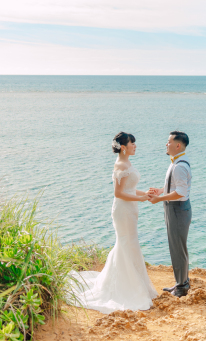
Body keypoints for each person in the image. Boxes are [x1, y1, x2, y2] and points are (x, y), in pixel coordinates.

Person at [69, 132, 158, 313]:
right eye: (132, 143)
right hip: (123, 210)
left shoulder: (127, 163)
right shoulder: (120, 165)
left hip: (130, 209)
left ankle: (137, 285)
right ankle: (126, 288)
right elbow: (118, 193)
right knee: (125, 244)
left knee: (130, 244)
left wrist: (145, 194)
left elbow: (129, 189)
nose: (135, 146)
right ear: (123, 147)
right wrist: (141, 199)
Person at [147, 131, 192, 297]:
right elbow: (176, 188)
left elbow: (180, 192)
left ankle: (182, 287)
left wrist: (159, 198)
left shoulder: (179, 166)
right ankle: (181, 282)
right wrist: (161, 191)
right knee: (177, 247)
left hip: (177, 209)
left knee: (178, 248)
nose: (166, 144)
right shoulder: (177, 162)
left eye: (169, 142)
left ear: (177, 145)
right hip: (175, 208)